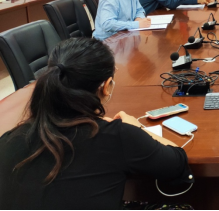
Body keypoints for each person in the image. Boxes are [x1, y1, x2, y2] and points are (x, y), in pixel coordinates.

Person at [0, 38, 193, 209]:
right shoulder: (118, 136)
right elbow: (177, 164)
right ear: (106, 86)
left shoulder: (7, 140)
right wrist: (137, 128)